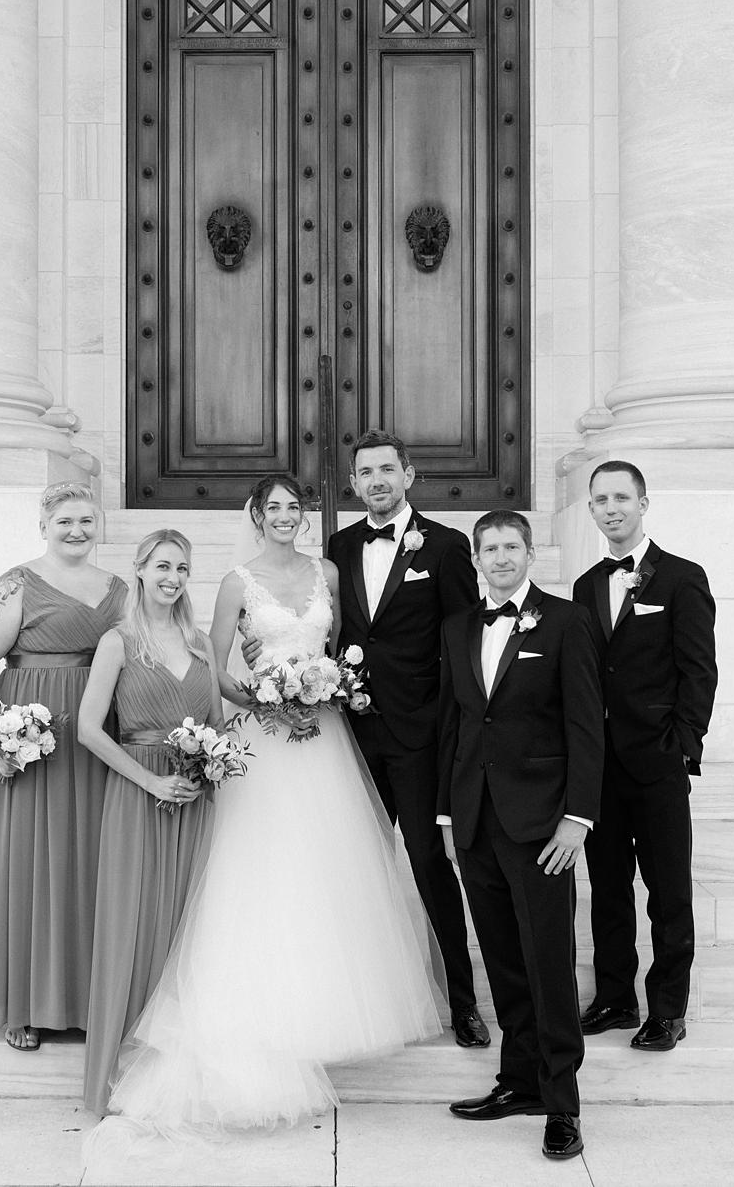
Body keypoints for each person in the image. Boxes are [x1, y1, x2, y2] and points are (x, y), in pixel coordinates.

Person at [82, 475, 441, 1162]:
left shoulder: (327, 571)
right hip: (265, 735)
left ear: (306, 516)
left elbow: (337, 647)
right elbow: (211, 666)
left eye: (294, 508)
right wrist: (265, 700)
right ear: (255, 516)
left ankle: (327, 1005)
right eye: (272, 508)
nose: (285, 517)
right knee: (260, 866)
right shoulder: (235, 581)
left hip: (323, 735)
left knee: (325, 866)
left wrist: (328, 685)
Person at [437, 511, 603, 1162]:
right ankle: (518, 1081)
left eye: (510, 546)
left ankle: (561, 1103)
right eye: (489, 548)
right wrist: (450, 820)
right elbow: (454, 726)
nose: (500, 557)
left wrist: (577, 817)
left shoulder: (564, 623)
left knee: (548, 965)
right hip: (476, 824)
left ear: (528, 553)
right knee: (503, 961)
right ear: (476, 557)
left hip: (542, 828)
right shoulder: (456, 628)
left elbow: (587, 728)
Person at [325, 430, 489, 1048]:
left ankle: (463, 1000)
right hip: (351, 736)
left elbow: (465, 646)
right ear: (354, 482)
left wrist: (454, 735)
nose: (376, 482)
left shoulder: (445, 548)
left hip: (419, 739)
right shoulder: (338, 546)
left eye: (386, 470)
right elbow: (330, 627)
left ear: (409, 475)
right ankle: (354, 1001)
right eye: (365, 473)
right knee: (354, 869)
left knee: (428, 865)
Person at [0, 481, 128, 1052]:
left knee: (88, 859)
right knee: (29, 861)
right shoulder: (16, 583)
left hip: (97, 733)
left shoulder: (118, 588)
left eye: (86, 520)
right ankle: (22, 1003)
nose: (77, 531)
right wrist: (0, 731)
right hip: (32, 740)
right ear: (44, 526)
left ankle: (85, 1000)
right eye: (65, 522)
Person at [572, 460, 718, 1052]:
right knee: (607, 887)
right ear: (591, 509)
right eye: (601, 500)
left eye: (621, 498)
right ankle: (614, 997)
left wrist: (683, 745)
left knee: (667, 890)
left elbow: (699, 669)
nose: (611, 509)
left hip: (657, 763)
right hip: (600, 768)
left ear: (643, 503)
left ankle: (667, 1009)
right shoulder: (585, 586)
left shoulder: (682, 578)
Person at [80, 529, 226, 1115]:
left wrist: (209, 763)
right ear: (139, 570)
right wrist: (150, 781)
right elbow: (90, 729)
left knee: (185, 927)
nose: (172, 577)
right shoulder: (117, 641)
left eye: (183, 568)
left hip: (194, 797)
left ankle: (175, 1068)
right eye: (162, 566)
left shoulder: (199, 644)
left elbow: (217, 720)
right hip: (138, 793)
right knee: (131, 924)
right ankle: (114, 1069)